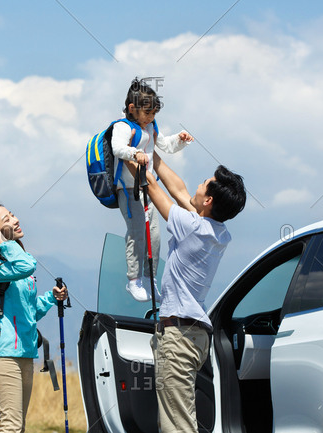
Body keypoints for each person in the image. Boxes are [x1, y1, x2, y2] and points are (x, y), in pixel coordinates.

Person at [134, 153, 246, 432]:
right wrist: (154, 155)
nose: (198, 184)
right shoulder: (217, 232)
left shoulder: (193, 226)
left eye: (204, 182)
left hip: (179, 336)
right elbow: (179, 190)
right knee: (179, 418)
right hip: (195, 336)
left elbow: (153, 187)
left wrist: (125, 151)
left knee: (178, 426)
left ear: (208, 201)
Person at [0, 202, 68, 433]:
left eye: (12, 214)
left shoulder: (14, 266)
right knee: (11, 427)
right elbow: (28, 265)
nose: (15, 220)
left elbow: (29, 312)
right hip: (5, 355)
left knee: (19, 427)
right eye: (7, 220)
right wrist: (5, 244)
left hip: (25, 353)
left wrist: (52, 298)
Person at [111, 77, 194, 302]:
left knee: (154, 235)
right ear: (132, 109)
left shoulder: (150, 126)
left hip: (146, 188)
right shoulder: (122, 126)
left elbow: (165, 145)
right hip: (128, 189)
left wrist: (181, 139)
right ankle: (133, 280)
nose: (150, 118)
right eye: (147, 113)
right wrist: (133, 153)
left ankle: (150, 278)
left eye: (154, 114)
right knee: (137, 232)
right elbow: (117, 148)